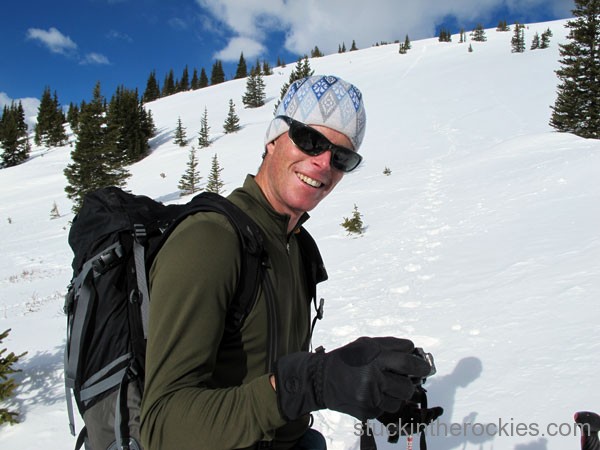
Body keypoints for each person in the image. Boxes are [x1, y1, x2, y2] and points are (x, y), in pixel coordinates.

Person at [140, 75, 431, 450]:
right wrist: (309, 383)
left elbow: (276, 372)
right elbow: (161, 429)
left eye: (342, 157)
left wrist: (366, 384)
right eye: (310, 140)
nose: (324, 163)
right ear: (274, 138)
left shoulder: (296, 245)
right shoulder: (210, 239)